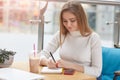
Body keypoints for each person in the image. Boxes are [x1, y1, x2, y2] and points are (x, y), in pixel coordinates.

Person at [39, 0, 102, 78]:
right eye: (65, 21)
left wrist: (70, 65)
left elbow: (96, 72)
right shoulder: (61, 34)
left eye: (72, 20)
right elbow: (42, 55)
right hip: (64, 77)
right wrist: (47, 62)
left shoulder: (93, 38)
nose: (68, 25)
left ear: (81, 18)